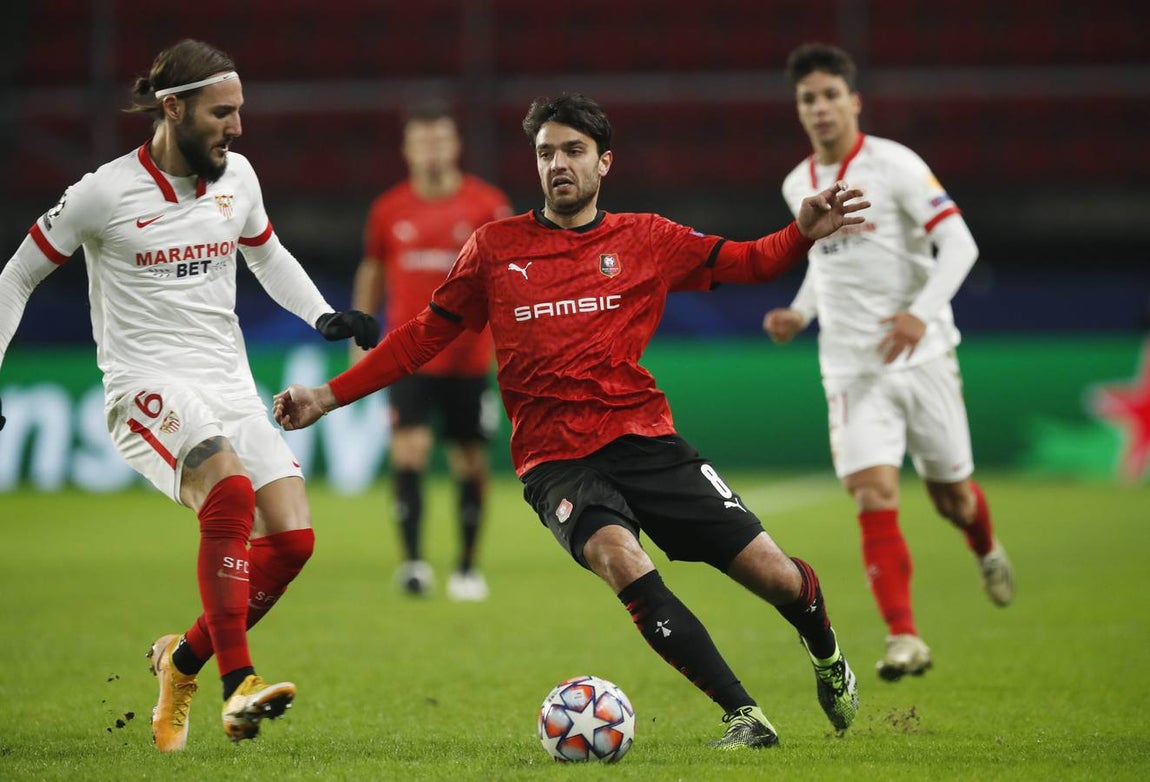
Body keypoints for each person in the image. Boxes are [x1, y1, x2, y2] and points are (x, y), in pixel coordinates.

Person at [275, 93, 868, 748]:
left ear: (603, 162)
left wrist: (802, 231)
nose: (557, 164)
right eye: (545, 153)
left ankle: (826, 652)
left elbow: (751, 261)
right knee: (620, 557)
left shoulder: (647, 238)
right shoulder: (494, 249)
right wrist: (327, 396)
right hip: (556, 461)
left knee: (776, 575)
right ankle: (744, 715)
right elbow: (420, 337)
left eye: (573, 151)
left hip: (645, 439)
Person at [0, 39, 379, 750]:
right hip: (145, 385)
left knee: (293, 540)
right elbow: (14, 278)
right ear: (172, 109)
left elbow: (265, 253)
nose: (237, 127)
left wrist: (322, 314)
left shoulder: (238, 178)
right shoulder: (101, 194)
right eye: (222, 113)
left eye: (239, 112)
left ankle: (179, 664)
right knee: (229, 493)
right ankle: (239, 686)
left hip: (228, 381)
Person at [762, 42, 1015, 681]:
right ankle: (904, 637)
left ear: (853, 100)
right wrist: (799, 311)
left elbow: (959, 243)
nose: (819, 108)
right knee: (873, 492)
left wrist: (919, 315)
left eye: (828, 95)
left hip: (923, 355)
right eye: (807, 99)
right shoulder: (798, 184)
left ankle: (984, 546)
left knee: (952, 499)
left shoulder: (895, 164)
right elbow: (824, 265)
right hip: (851, 366)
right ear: (799, 111)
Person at [350, 101, 512, 600]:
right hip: (408, 355)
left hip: (468, 357)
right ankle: (415, 563)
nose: (432, 151)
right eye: (422, 142)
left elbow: (508, 278)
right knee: (410, 452)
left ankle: (466, 566)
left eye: (440, 140)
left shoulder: (487, 206)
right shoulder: (388, 210)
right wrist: (361, 337)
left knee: (469, 460)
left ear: (455, 145)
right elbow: (373, 270)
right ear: (407, 150)